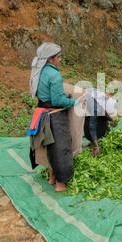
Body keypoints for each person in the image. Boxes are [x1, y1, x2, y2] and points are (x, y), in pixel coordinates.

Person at [30, 42, 77, 192]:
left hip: (42, 112)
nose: (60, 59)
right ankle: (60, 183)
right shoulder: (54, 74)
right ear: (50, 59)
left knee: (49, 146)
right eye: (59, 56)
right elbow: (57, 101)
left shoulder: (39, 71)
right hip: (55, 116)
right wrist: (74, 101)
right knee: (61, 149)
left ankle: (51, 176)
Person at [84, 88, 118, 157]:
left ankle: (98, 141)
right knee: (90, 124)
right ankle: (93, 143)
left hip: (97, 103)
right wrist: (97, 146)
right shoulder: (96, 107)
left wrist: (112, 120)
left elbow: (108, 113)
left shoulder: (110, 101)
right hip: (85, 105)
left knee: (103, 121)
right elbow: (92, 127)